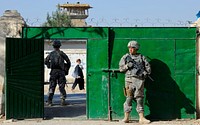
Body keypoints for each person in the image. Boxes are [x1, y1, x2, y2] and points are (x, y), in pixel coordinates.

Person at [119, 40, 151, 124]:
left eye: (132, 48)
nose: (130, 49)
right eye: (129, 48)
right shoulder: (125, 57)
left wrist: (145, 73)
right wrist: (127, 66)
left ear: (136, 48)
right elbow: (121, 69)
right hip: (129, 81)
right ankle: (126, 118)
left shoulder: (141, 57)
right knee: (128, 98)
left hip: (139, 81)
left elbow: (148, 68)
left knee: (139, 98)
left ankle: (141, 118)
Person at [44, 40, 71, 106]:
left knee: (52, 86)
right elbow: (68, 62)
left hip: (53, 72)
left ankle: (50, 101)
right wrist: (66, 69)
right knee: (61, 86)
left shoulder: (51, 54)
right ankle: (62, 101)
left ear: (53, 46)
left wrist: (49, 65)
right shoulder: (62, 53)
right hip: (61, 72)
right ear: (59, 46)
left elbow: (45, 61)